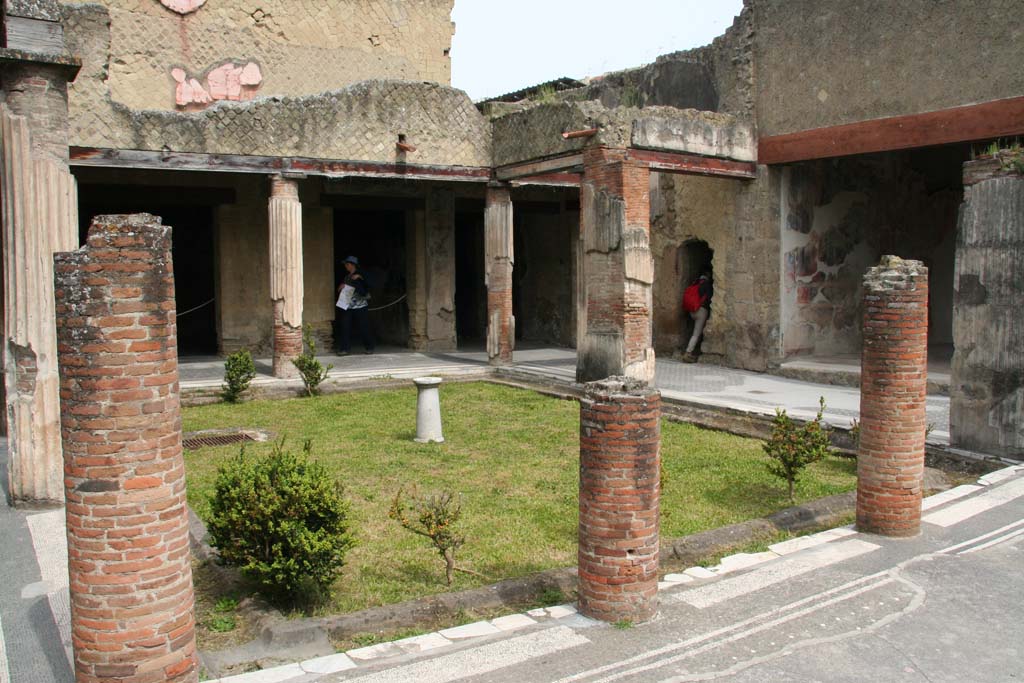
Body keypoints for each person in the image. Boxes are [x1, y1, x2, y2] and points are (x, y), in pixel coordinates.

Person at [336, 255, 374, 355]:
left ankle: (369, 347)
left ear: (352, 265)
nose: (346, 266)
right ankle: (344, 349)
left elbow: (369, 284)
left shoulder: (362, 274)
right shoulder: (347, 277)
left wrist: (360, 277)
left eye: (347, 264)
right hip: (347, 306)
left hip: (360, 306)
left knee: (363, 327)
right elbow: (343, 289)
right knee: (345, 326)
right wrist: (341, 287)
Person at [682, 269, 713, 363]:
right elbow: (709, 298)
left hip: (692, 311)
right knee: (696, 334)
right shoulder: (707, 285)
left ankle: (692, 350)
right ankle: (688, 353)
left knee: (695, 332)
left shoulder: (695, 283)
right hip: (701, 311)